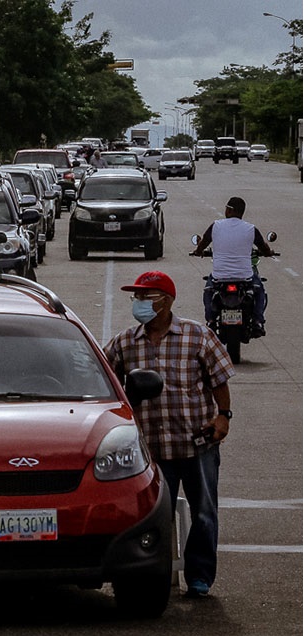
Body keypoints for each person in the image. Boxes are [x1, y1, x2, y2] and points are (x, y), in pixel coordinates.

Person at [103, 270, 235, 599]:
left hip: (197, 443)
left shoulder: (198, 336)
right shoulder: (124, 343)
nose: (140, 304)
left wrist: (223, 416)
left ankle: (200, 576)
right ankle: (153, 575)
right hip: (152, 450)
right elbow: (104, 379)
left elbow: (219, 379)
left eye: (146, 297)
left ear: (166, 301)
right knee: (151, 518)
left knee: (204, 512)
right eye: (137, 298)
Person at [192, 196, 275, 336]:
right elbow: (264, 247)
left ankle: (211, 320)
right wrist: (268, 252)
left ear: (229, 210)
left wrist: (198, 252)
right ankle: (257, 321)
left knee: (208, 291)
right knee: (260, 291)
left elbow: (203, 243)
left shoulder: (216, 226)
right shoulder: (250, 229)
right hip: (245, 277)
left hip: (220, 276)